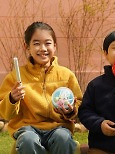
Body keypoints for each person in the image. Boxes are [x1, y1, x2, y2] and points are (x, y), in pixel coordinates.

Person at [0, 21, 82, 154]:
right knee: (28, 139)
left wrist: (70, 111)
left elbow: (78, 103)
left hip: (58, 127)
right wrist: (12, 99)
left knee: (63, 137)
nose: (43, 48)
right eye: (36, 43)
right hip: (27, 128)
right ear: (27, 47)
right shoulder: (16, 76)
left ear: (54, 46)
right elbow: (4, 113)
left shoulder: (66, 75)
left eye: (48, 43)